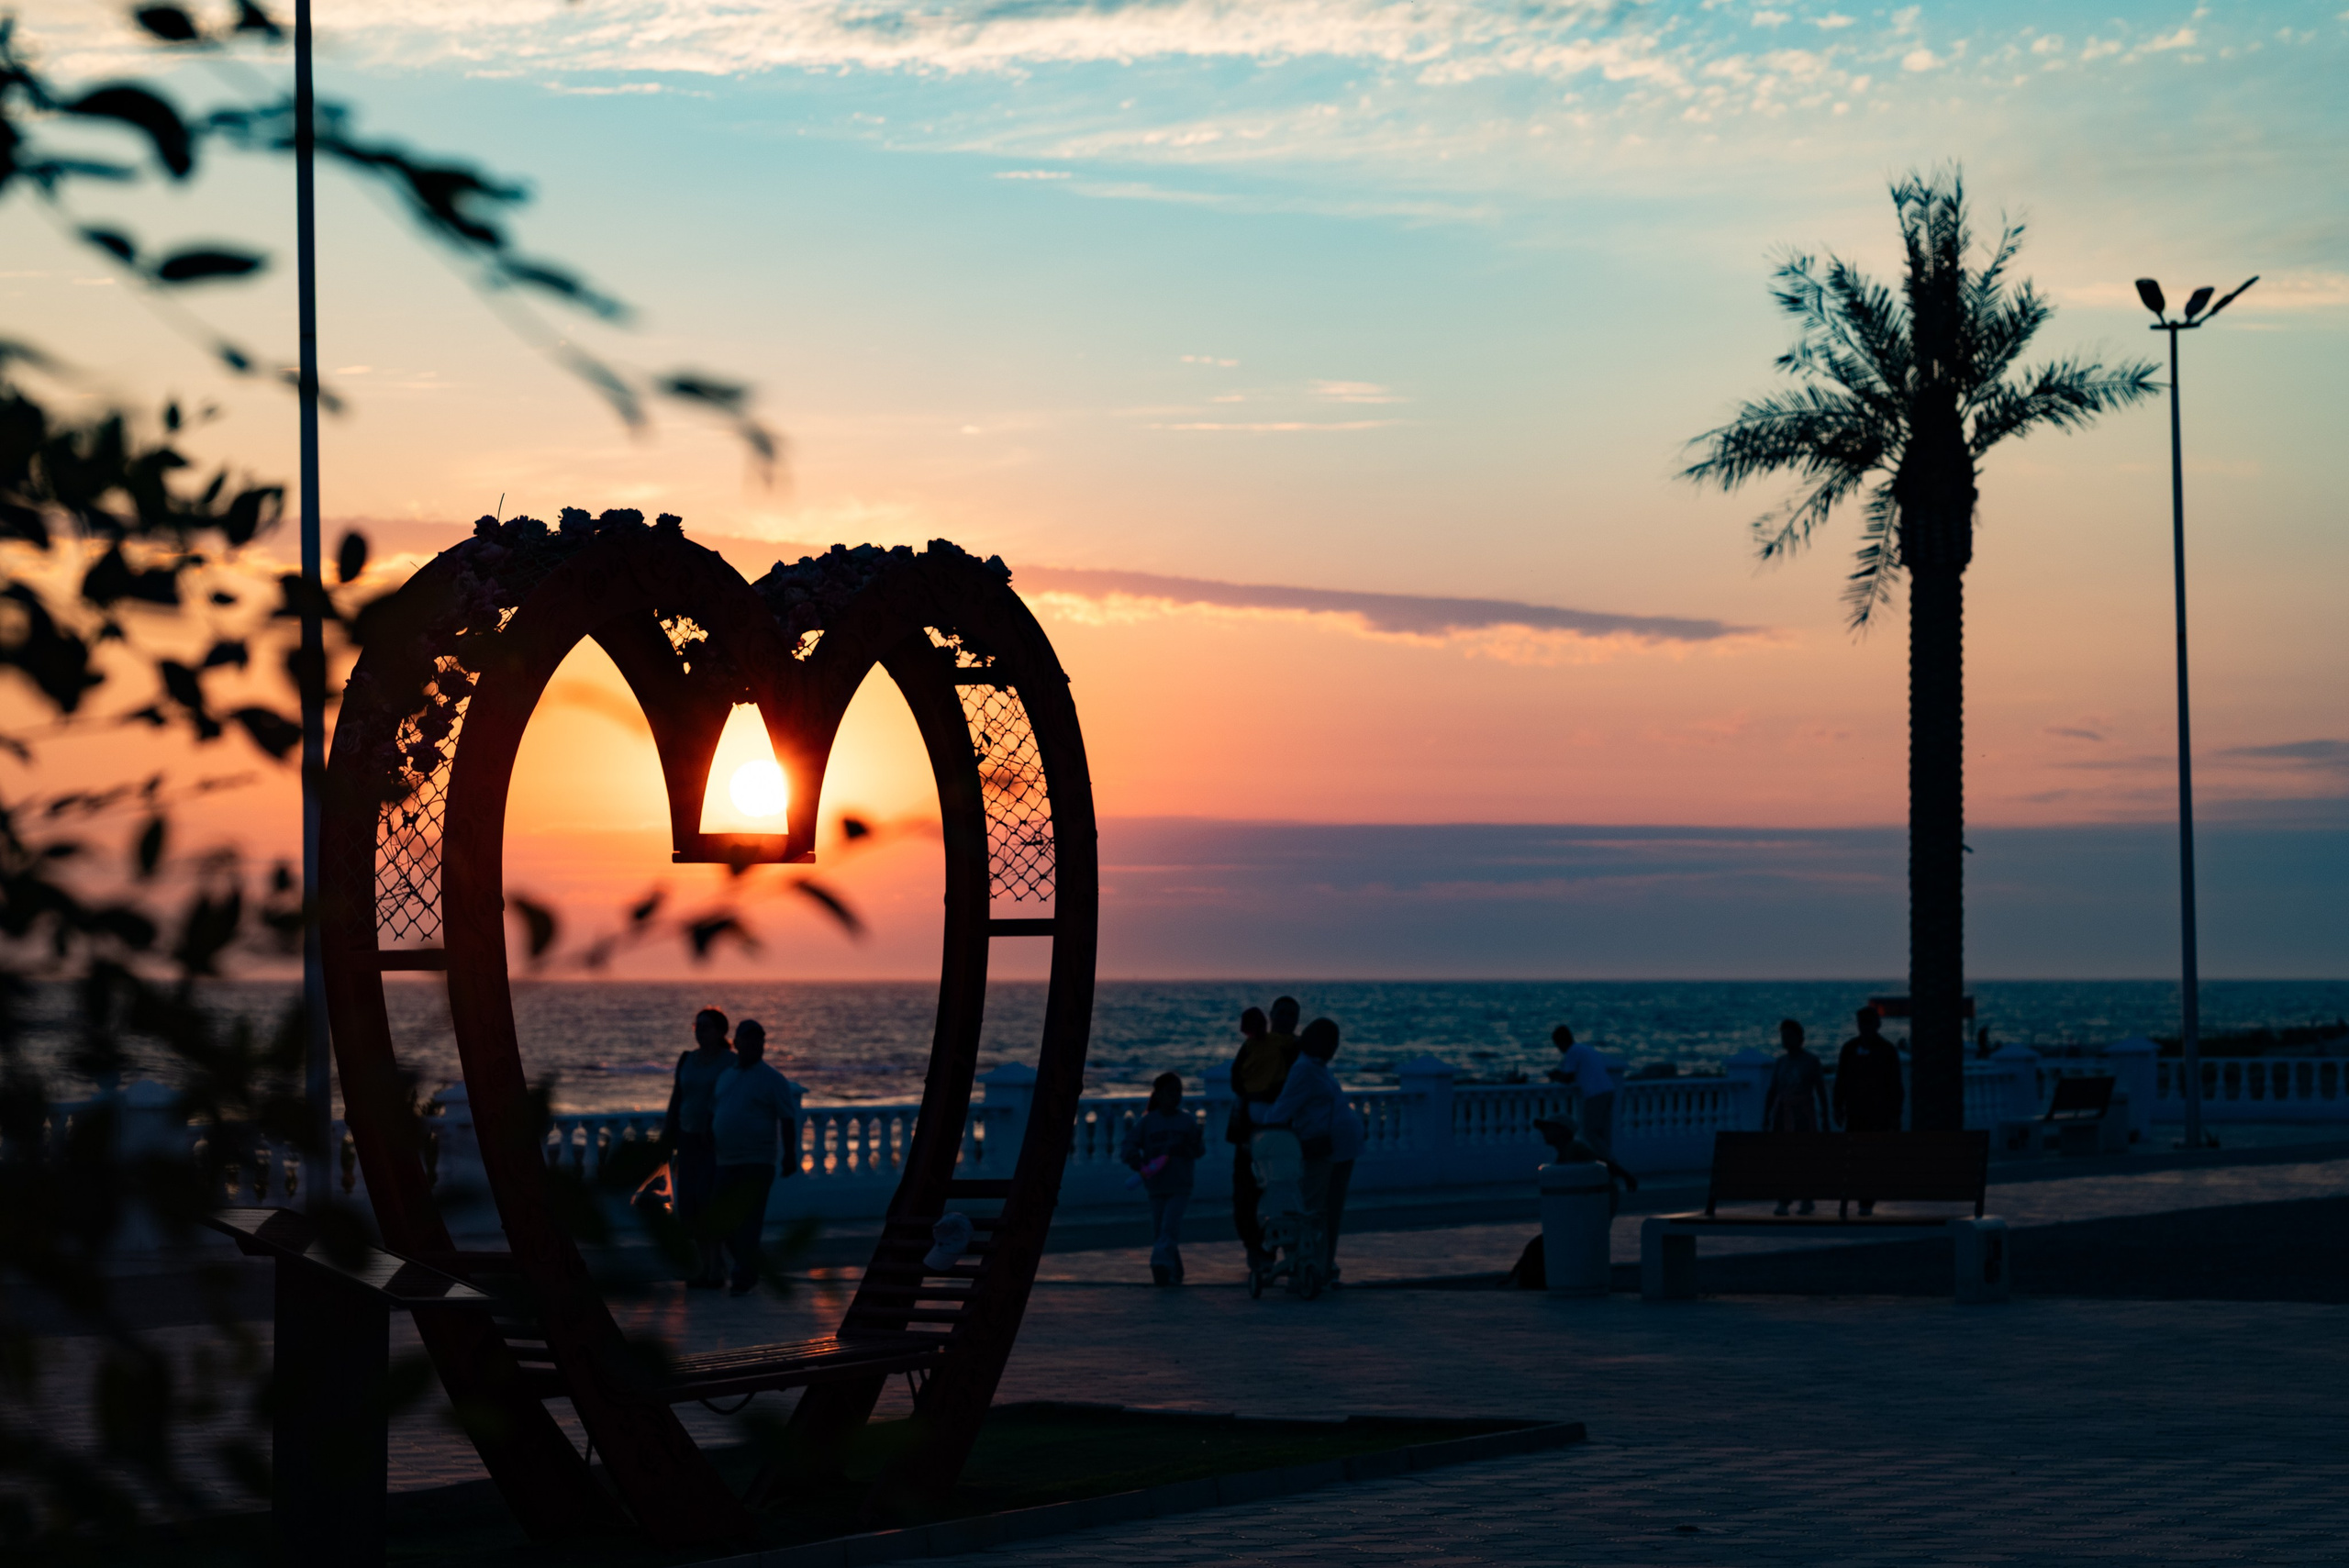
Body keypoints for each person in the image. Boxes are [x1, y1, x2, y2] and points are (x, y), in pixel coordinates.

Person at [708, 1018, 804, 1296]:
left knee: (749, 1219)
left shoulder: (773, 1079)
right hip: (725, 1160)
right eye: (748, 1039)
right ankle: (748, 1266)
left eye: (758, 1040)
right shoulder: (726, 1076)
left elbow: (787, 1118)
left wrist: (790, 1155)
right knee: (719, 1219)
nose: (754, 1044)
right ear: (736, 1043)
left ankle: (743, 1274)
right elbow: (716, 1112)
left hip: (757, 1161)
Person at [1258, 1016, 1346, 1275]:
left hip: (1336, 1149)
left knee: (1326, 1211)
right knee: (1312, 1210)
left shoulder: (1316, 1067)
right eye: (1331, 1042)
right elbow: (1281, 1110)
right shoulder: (1305, 1070)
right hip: (1318, 1149)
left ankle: (1322, 1264)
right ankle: (1310, 1265)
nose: (1334, 1048)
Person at [662, 1006, 735, 1287]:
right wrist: (668, 1133)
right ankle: (706, 1267)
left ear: (720, 1032)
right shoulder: (687, 1059)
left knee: (708, 1202)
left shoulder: (730, 1062)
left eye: (706, 1027)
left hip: (714, 1141)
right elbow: (677, 1097)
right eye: (698, 1026)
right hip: (687, 1137)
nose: (700, 1031)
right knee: (689, 1205)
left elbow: (731, 1100)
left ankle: (716, 1268)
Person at [1227, 1001, 1299, 1273]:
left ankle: (1282, 1249)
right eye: (1281, 1013)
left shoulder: (1297, 1048)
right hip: (1249, 1133)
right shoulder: (1252, 1046)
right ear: (1271, 1016)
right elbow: (1237, 1080)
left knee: (1283, 1193)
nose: (1286, 1018)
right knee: (1246, 1194)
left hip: (1284, 1134)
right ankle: (1255, 1248)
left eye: (1291, 1014)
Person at [1121, 1073, 1208, 1285]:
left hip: (1180, 1184)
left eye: (1179, 1091)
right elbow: (1128, 1145)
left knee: (1169, 1227)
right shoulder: (1148, 1122)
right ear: (1159, 1095)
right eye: (1171, 1091)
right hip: (1156, 1186)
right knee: (1160, 1229)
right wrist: (1136, 1161)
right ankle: (1174, 1268)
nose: (1176, 1096)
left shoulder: (1187, 1121)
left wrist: (1189, 1146)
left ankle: (1160, 1264)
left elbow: (1198, 1150)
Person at [1835, 1005, 1906, 1217]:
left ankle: (1865, 1200)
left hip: (1877, 1115)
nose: (1865, 1027)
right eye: (1862, 1023)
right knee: (1855, 1159)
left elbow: (1895, 1085)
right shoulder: (1850, 1049)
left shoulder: (1885, 1050)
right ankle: (1860, 1199)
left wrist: (1895, 1115)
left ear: (1876, 1025)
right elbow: (1841, 1081)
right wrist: (1837, 1106)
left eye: (1868, 1023)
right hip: (1856, 1114)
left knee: (1870, 1159)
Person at [1764, 1018, 1830, 1216]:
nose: (1785, 1040)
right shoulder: (1780, 1062)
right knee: (1782, 1159)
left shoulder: (1811, 1061)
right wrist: (1767, 1116)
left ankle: (1806, 1198)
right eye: (1783, 1036)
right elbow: (1773, 1090)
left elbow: (1820, 1090)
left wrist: (1825, 1117)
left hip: (1803, 1116)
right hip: (1782, 1116)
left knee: (1804, 1158)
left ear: (1800, 1038)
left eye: (1789, 1036)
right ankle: (1784, 1199)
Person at [1547, 1025, 1618, 1156]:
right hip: (1609, 1090)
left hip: (1595, 1094)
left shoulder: (1572, 1051)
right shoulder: (1586, 1049)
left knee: (1589, 1133)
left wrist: (1555, 1076)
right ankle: (1607, 1163)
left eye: (1558, 1045)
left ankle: (1610, 1161)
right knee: (1603, 1133)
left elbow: (1568, 1077)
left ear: (1561, 1042)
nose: (1559, 1049)